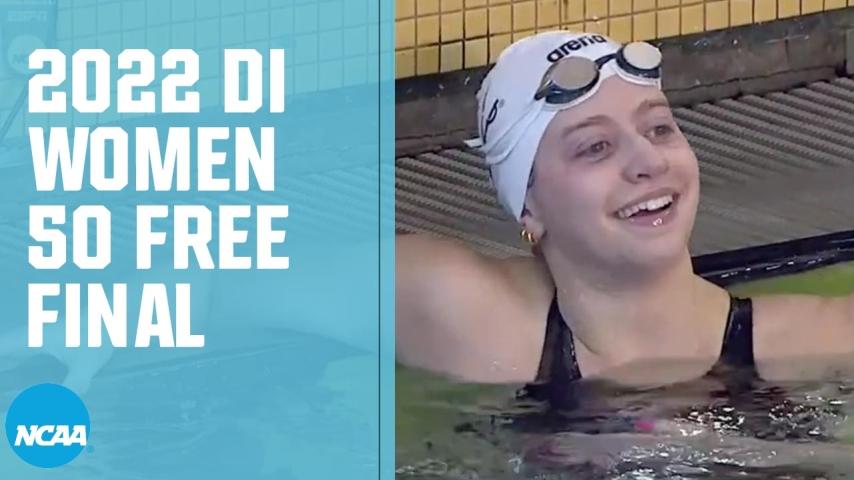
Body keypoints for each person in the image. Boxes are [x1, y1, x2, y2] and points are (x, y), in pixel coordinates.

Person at [395, 30, 854, 390]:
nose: (649, 162)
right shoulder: (474, 322)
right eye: (595, 147)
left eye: (659, 129)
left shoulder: (817, 343)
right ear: (529, 208)